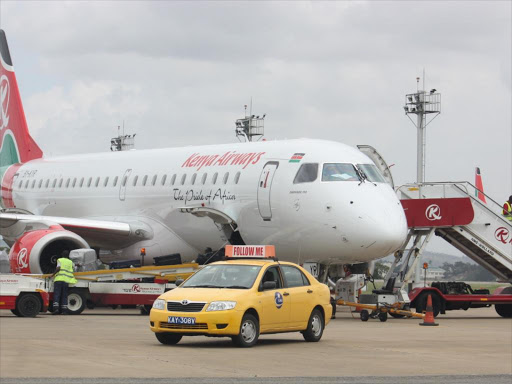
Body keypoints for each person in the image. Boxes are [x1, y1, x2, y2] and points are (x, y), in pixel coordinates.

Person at [51, 250, 77, 315]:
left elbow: (58, 268)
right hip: (66, 280)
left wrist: (52, 275)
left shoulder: (60, 260)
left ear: (62, 254)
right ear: (68, 255)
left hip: (59, 279)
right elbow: (75, 268)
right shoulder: (70, 262)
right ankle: (64, 310)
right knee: (64, 295)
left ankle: (56, 309)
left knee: (57, 294)